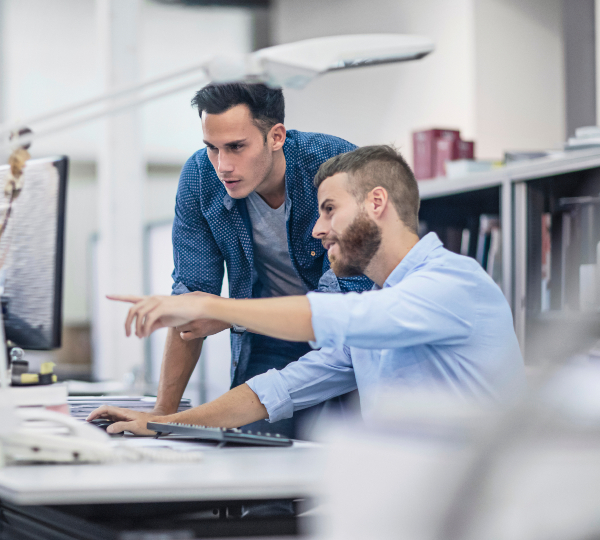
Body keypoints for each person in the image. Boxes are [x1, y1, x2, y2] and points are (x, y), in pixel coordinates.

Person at [90, 145, 527, 434]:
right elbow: (278, 389)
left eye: (329, 209)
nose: (318, 229)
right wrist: (165, 423)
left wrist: (212, 305)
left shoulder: (453, 284)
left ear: (377, 203)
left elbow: (334, 317)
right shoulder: (380, 309)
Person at [142, 82, 372, 439]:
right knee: (252, 447)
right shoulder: (201, 177)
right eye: (212, 148)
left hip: (347, 337)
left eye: (236, 147)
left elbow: (346, 309)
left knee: (343, 449)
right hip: (265, 335)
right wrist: (161, 417)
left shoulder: (335, 166)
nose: (223, 165)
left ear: (276, 136)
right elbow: (192, 300)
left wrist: (229, 312)